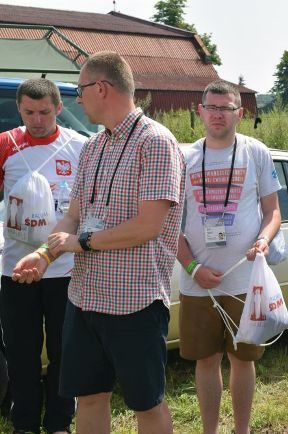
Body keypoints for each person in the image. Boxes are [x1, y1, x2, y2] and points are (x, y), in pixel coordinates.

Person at [12, 51, 185, 434]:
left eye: (80, 89)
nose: (77, 99)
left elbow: (148, 226)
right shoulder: (93, 147)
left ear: (101, 88)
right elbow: (73, 216)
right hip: (85, 298)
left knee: (147, 404)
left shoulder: (155, 142)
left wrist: (80, 243)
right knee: (89, 397)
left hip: (133, 302)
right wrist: (44, 255)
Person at [176, 80, 281, 434]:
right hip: (198, 282)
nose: (218, 114)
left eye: (226, 107)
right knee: (206, 361)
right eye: (212, 106)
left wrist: (264, 241)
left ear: (240, 112)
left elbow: (273, 213)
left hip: (244, 279)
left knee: (242, 359)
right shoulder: (183, 156)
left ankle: (242, 430)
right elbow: (169, 225)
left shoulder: (256, 152)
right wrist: (193, 267)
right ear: (200, 110)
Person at [0, 78, 84, 434]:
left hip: (64, 267)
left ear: (59, 108)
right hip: (17, 269)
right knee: (21, 351)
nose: (37, 120)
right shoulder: (5, 144)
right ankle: (25, 423)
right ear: (19, 109)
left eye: (44, 112)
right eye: (29, 112)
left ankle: (60, 422)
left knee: (66, 350)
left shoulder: (80, 145)